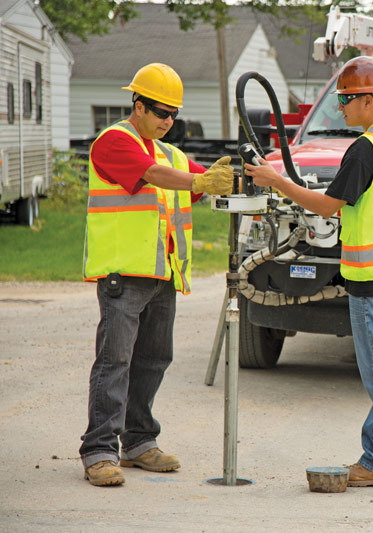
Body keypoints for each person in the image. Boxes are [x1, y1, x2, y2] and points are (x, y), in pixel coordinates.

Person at [245, 56, 373, 488]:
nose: (341, 108)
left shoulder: (368, 147)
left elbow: (329, 206)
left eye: (346, 100)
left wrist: (278, 181)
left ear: (369, 100)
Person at [80, 63, 234, 487]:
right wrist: (200, 181)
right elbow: (154, 176)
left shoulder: (170, 154)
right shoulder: (115, 141)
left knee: (152, 361)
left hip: (162, 274)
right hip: (124, 274)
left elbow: (196, 181)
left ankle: (139, 442)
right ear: (139, 105)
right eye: (161, 112)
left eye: (174, 114)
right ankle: (99, 450)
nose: (168, 121)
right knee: (115, 361)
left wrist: (233, 179)